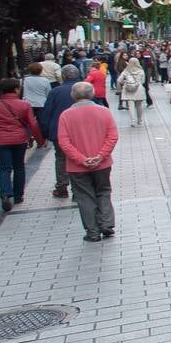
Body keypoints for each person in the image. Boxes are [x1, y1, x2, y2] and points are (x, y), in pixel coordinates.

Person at [57, 81, 120, 242]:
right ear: (92, 94)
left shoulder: (66, 115)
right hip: (102, 164)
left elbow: (63, 142)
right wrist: (101, 156)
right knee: (104, 191)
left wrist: (81, 159)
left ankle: (92, 231)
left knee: (84, 197)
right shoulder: (104, 112)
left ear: (73, 95)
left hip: (77, 167)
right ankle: (106, 223)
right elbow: (112, 136)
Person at [0, 77, 45, 211]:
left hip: (0, 141)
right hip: (19, 140)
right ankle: (18, 195)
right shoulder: (24, 105)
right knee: (19, 167)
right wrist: (40, 140)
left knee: (4, 168)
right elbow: (33, 124)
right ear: (16, 89)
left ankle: (6, 194)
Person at [43, 65, 83, 199]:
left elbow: (47, 113)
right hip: (81, 131)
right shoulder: (85, 90)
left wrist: (45, 133)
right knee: (79, 157)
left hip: (59, 131)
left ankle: (62, 187)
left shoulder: (55, 91)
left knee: (61, 158)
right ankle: (77, 190)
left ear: (63, 76)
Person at [116, 57, 148, 127]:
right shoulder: (141, 71)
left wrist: (124, 82)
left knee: (131, 106)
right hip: (138, 88)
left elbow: (119, 80)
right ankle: (139, 120)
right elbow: (143, 81)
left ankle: (132, 121)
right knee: (139, 105)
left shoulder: (126, 71)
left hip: (128, 89)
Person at [21, 63, 51, 131]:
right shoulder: (45, 81)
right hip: (41, 103)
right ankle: (41, 135)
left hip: (27, 103)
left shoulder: (23, 80)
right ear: (41, 70)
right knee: (41, 122)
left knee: (28, 121)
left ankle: (29, 134)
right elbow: (48, 93)